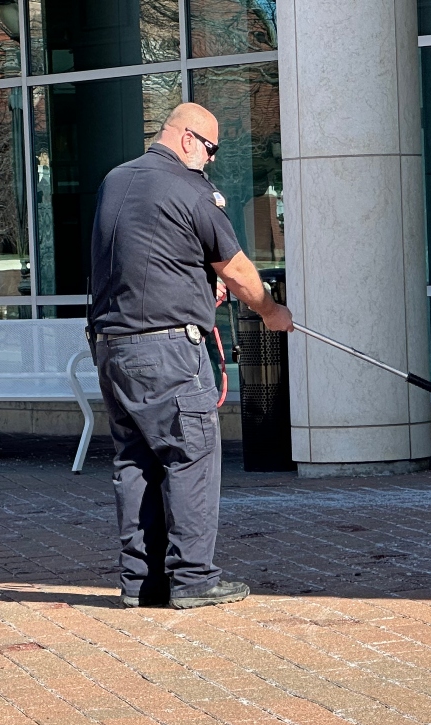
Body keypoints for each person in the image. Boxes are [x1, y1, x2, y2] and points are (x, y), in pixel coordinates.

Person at [88, 102, 294, 610]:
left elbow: (147, 256)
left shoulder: (115, 181)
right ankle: (195, 578)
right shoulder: (190, 188)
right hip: (168, 350)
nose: (211, 160)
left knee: (134, 462)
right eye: (211, 149)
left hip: (113, 346)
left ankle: (141, 583)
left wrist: (197, 288)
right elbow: (238, 269)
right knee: (191, 457)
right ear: (186, 139)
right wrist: (271, 311)